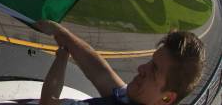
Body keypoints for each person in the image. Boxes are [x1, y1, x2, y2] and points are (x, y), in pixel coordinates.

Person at [35, 20, 205, 105]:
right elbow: (100, 71)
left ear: (167, 98)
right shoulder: (137, 98)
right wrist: (63, 34)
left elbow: (48, 102)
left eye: (154, 70)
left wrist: (62, 57)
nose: (141, 68)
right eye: (150, 62)